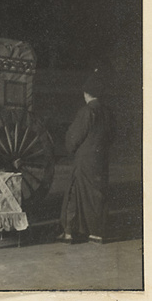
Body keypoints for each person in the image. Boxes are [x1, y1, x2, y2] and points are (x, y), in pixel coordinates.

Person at [57, 70, 115, 244]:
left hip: (84, 161)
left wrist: (70, 149)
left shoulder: (87, 111)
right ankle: (97, 233)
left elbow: (74, 137)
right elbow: (112, 137)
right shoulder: (108, 113)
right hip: (101, 159)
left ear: (86, 93)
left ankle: (69, 233)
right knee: (97, 195)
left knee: (74, 193)